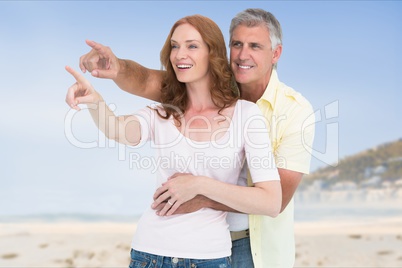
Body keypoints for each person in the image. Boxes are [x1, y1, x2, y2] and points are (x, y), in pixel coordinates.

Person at [76, 8, 315, 268]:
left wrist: (199, 191)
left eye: (255, 46)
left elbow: (273, 200)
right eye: (237, 44)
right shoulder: (166, 109)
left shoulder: (288, 110)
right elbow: (138, 91)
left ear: (275, 54)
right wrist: (99, 96)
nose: (243, 54)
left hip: (248, 243)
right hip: (150, 251)